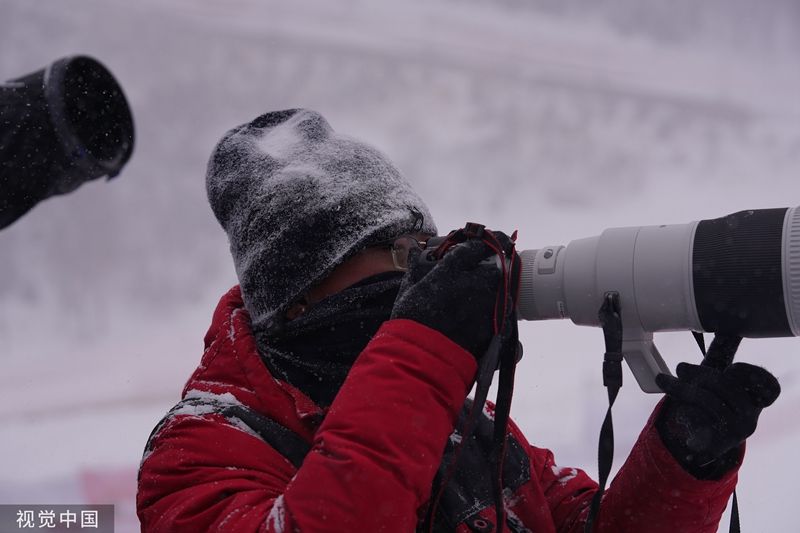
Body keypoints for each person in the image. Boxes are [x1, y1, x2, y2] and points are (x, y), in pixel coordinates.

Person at [136, 109, 780, 532]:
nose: (416, 275)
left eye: (423, 249)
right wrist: (422, 351)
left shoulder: (455, 415)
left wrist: (680, 460)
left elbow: (578, 524)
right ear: (301, 287)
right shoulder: (200, 448)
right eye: (394, 252)